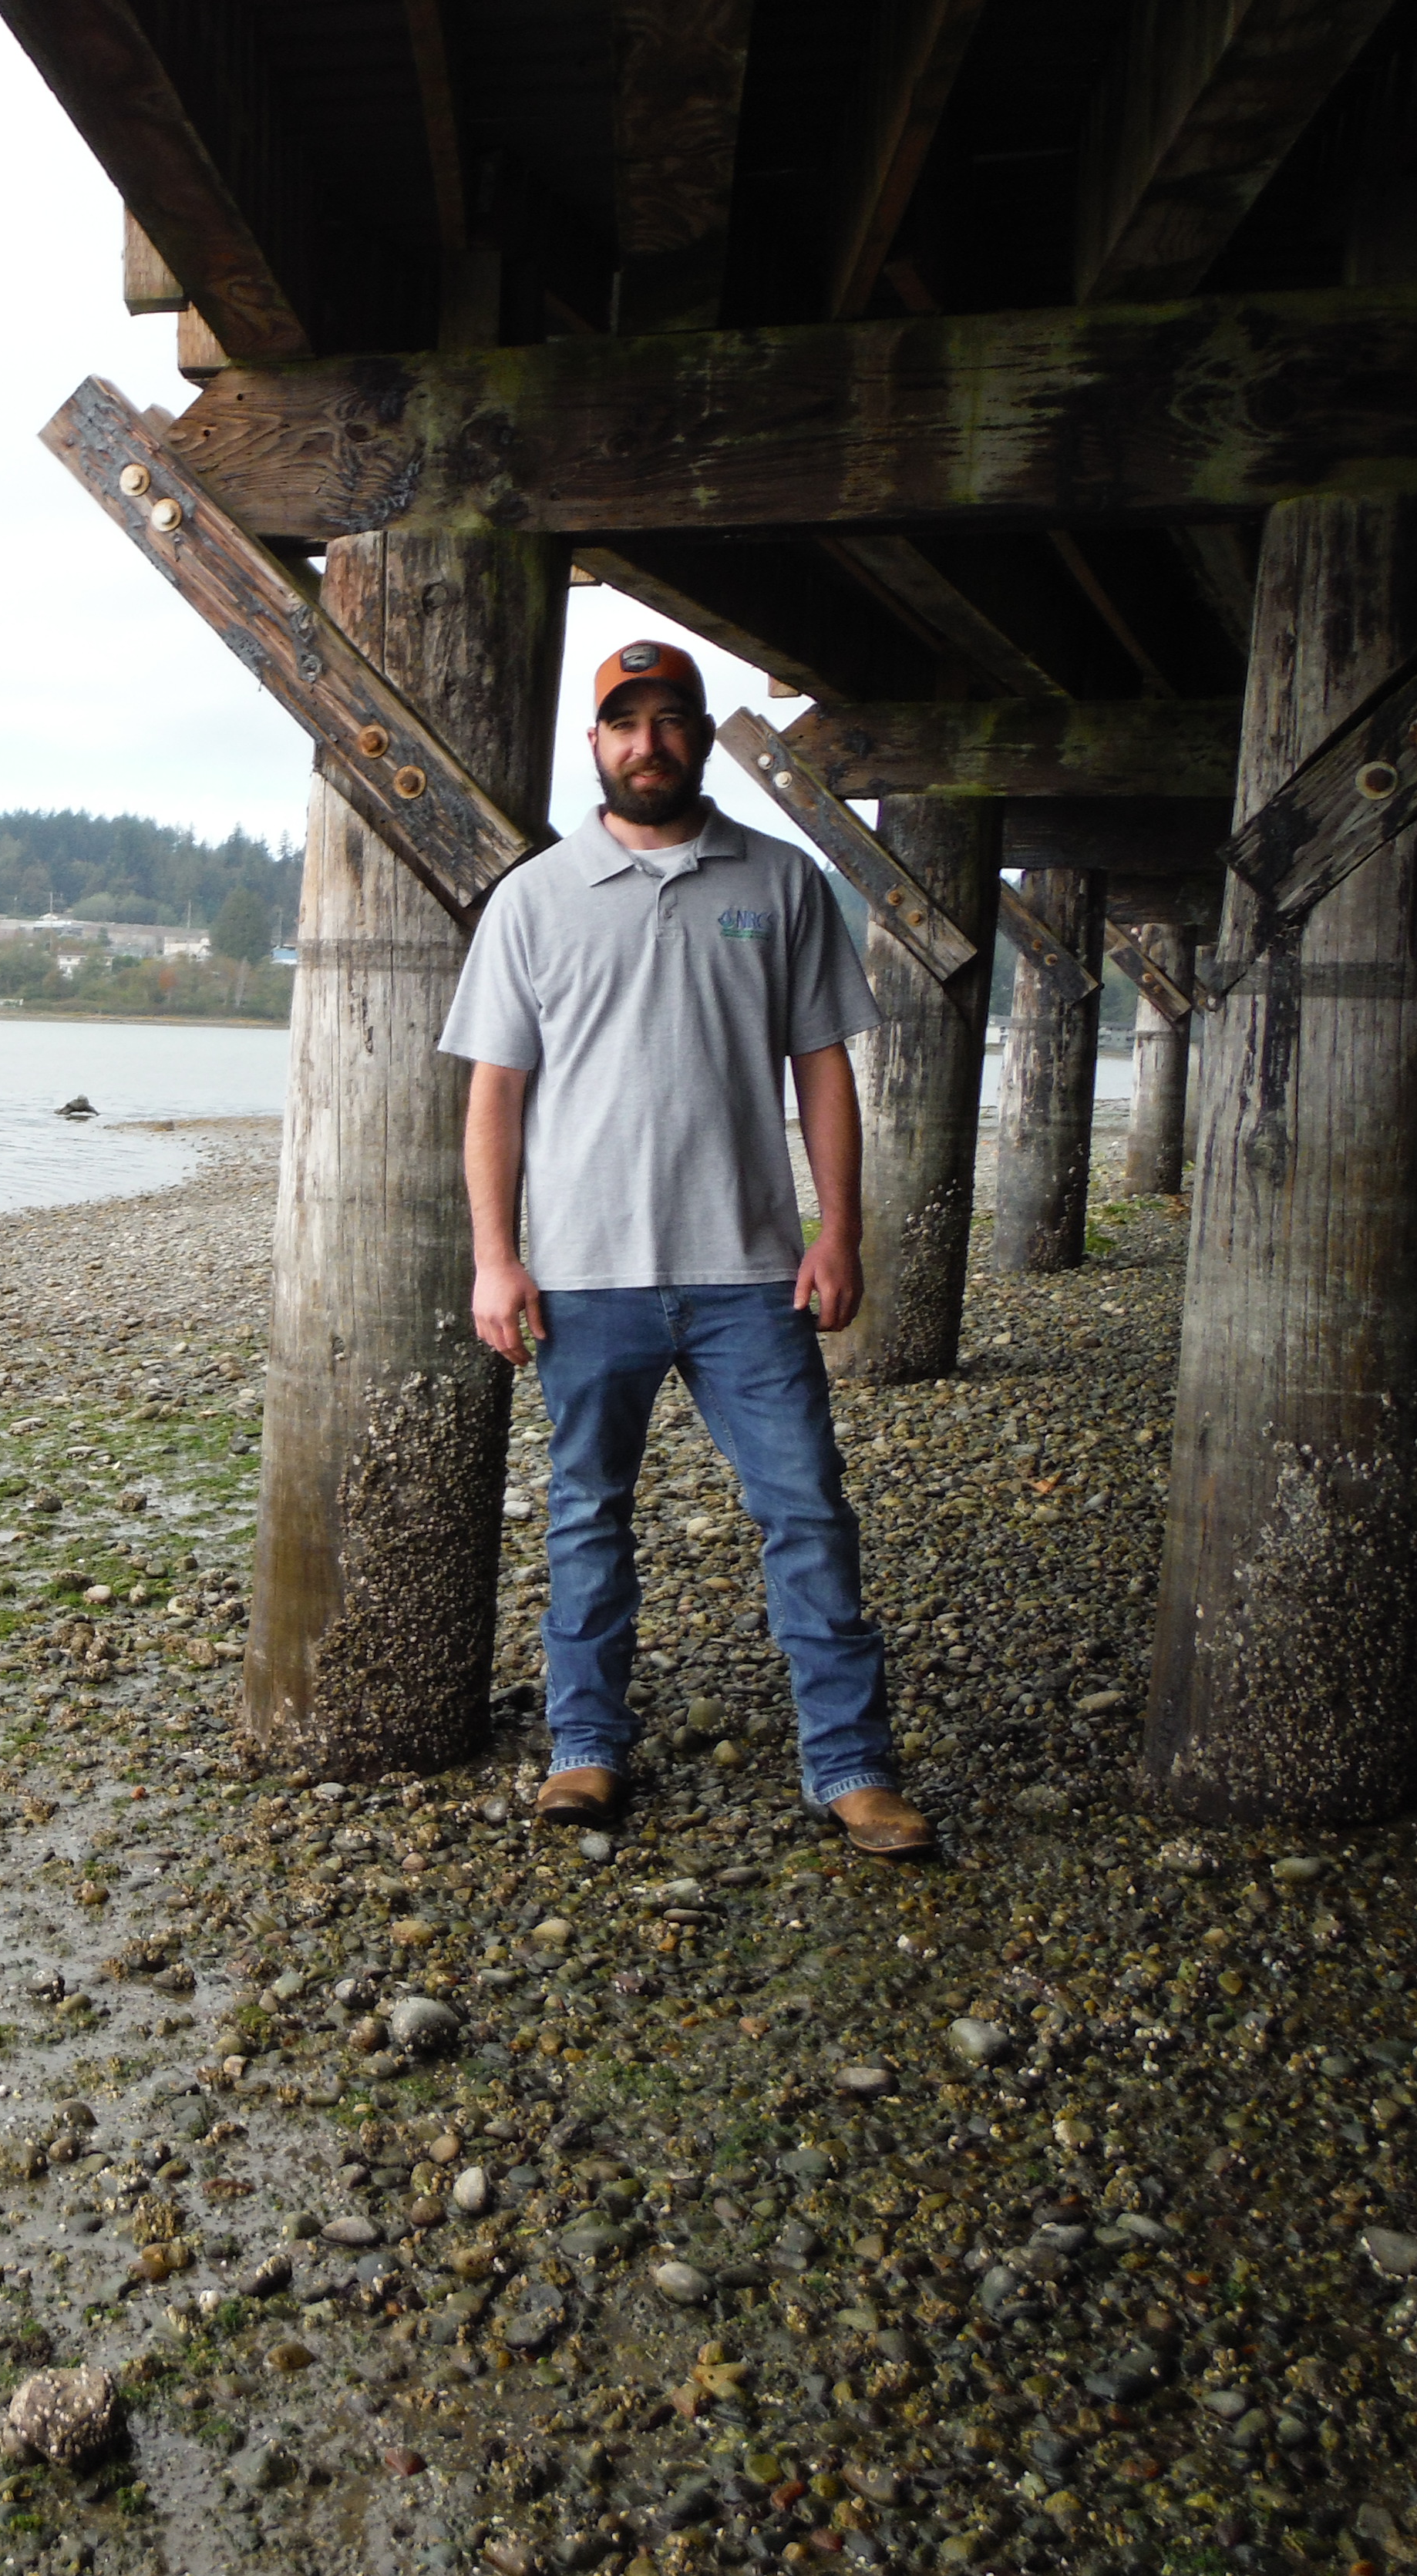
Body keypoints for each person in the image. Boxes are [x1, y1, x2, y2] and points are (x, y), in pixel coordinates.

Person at [439, 637, 934, 1859]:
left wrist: (840, 1231)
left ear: (703, 736)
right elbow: (495, 1095)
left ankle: (852, 1767)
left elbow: (824, 1068)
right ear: (594, 744)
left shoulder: (783, 883)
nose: (646, 742)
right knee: (586, 1519)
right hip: (583, 1277)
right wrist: (495, 1260)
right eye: (624, 722)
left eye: (669, 720)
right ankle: (586, 1749)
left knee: (809, 1512)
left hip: (751, 1276)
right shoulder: (534, 898)